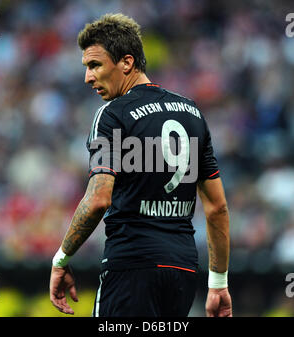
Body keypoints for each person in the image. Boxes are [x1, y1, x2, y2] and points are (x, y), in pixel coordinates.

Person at [49, 13, 232, 317]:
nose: (88, 77)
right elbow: (217, 207)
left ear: (127, 62)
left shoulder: (112, 115)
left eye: (95, 65)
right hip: (182, 271)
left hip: (131, 266)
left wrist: (60, 259)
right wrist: (218, 283)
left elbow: (98, 200)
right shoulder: (192, 113)